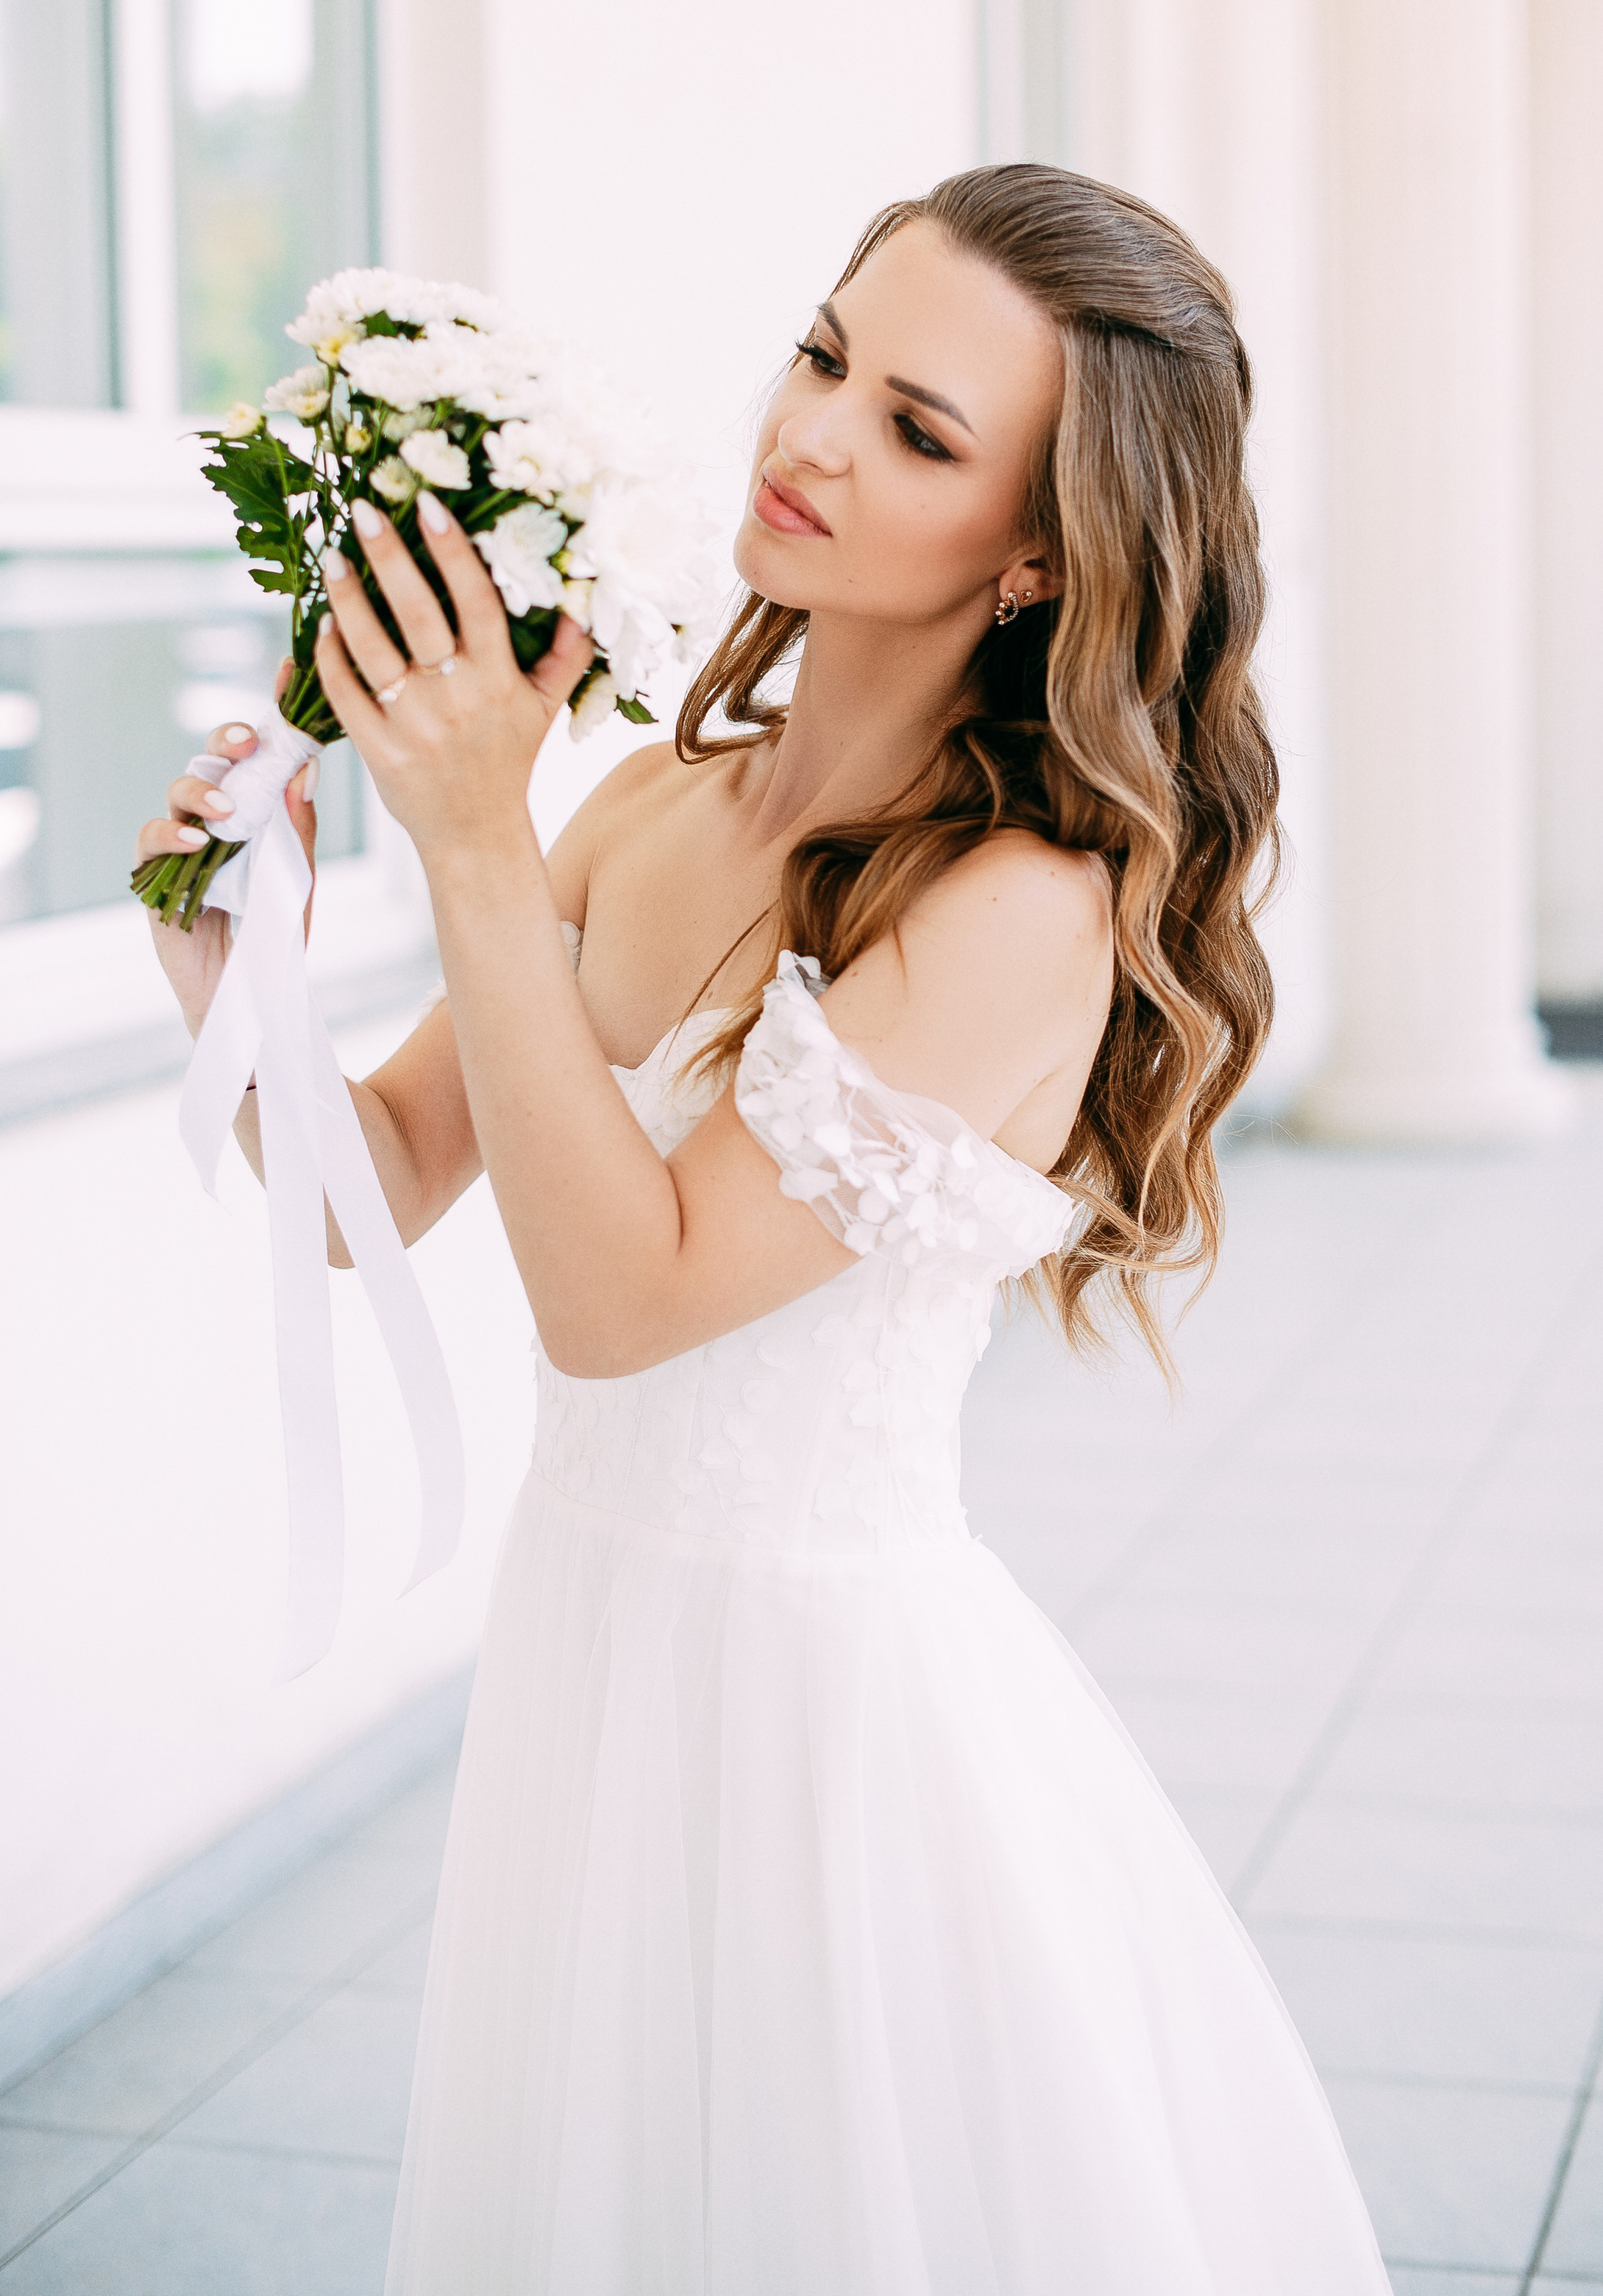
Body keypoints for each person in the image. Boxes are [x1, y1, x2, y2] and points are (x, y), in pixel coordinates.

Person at [141, 165, 1390, 2293]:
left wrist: (464, 838)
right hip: (591, 1653)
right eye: (826, 353)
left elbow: (624, 1302)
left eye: (915, 429)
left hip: (818, 1718)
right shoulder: (649, 803)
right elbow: (384, 1180)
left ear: (1033, 559)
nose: (809, 434)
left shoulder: (1016, 911)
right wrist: (222, 942)